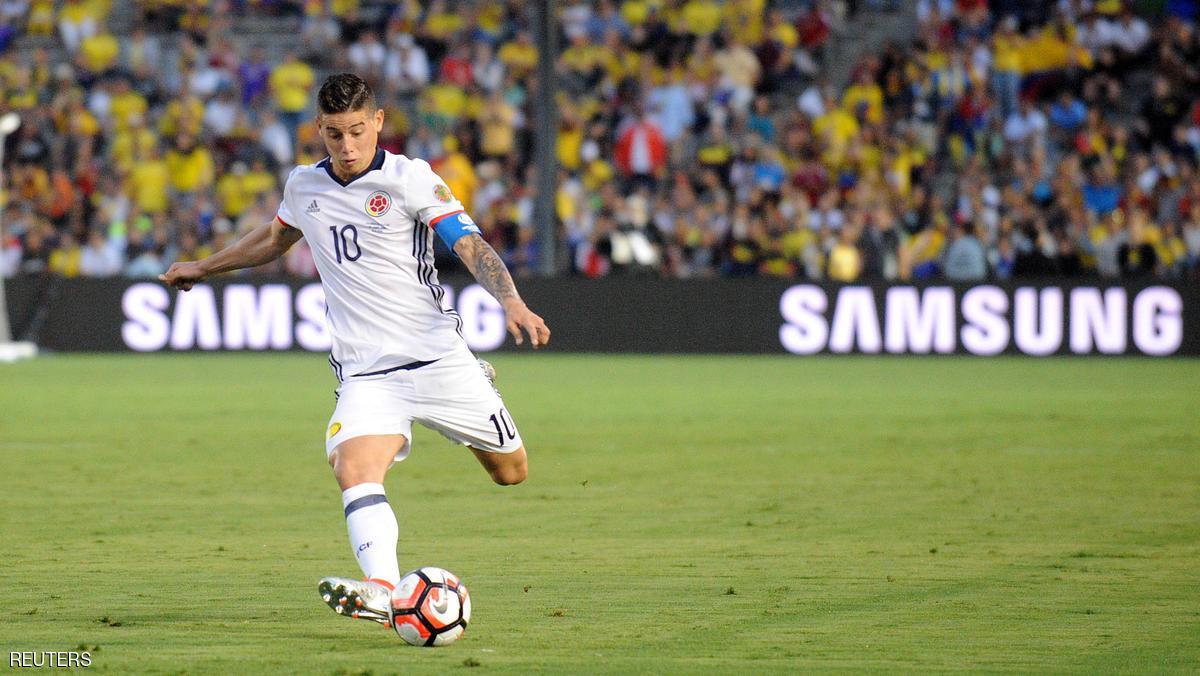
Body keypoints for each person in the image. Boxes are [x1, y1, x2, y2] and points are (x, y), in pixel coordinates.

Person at [159, 73, 550, 628]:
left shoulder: (409, 179)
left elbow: (467, 241)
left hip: (439, 359)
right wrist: (203, 266)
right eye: (335, 134)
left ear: (379, 123)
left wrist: (510, 299)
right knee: (353, 466)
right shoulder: (304, 186)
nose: (347, 148)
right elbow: (274, 239)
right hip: (369, 374)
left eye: (357, 132)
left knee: (511, 473)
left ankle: (479, 383)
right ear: (318, 128)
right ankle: (383, 590)